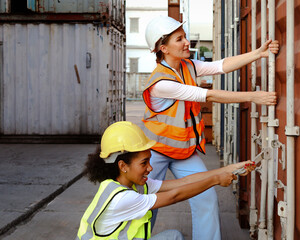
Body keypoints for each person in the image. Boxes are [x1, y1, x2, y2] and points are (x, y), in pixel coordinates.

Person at [142, 16, 279, 240]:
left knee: (206, 196)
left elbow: (220, 66)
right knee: (148, 204)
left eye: (184, 36)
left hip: (182, 152)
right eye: (179, 39)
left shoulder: (188, 66)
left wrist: (258, 53)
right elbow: (209, 95)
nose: (186, 42)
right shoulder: (161, 83)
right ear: (163, 48)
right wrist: (254, 96)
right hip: (154, 153)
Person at [75, 121, 256, 240]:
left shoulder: (131, 185)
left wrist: (228, 169)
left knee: (174, 237)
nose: (150, 168)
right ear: (123, 166)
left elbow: (183, 183)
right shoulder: (122, 198)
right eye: (144, 163)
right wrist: (216, 179)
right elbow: (174, 195)